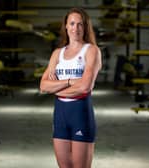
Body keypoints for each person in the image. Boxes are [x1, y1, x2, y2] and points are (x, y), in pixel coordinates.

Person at [40, 7, 102, 168]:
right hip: (60, 115)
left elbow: (85, 87)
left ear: (86, 27)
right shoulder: (57, 54)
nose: (76, 28)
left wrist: (56, 88)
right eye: (72, 23)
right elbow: (43, 86)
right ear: (66, 26)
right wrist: (69, 81)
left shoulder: (91, 51)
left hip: (80, 113)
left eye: (80, 24)